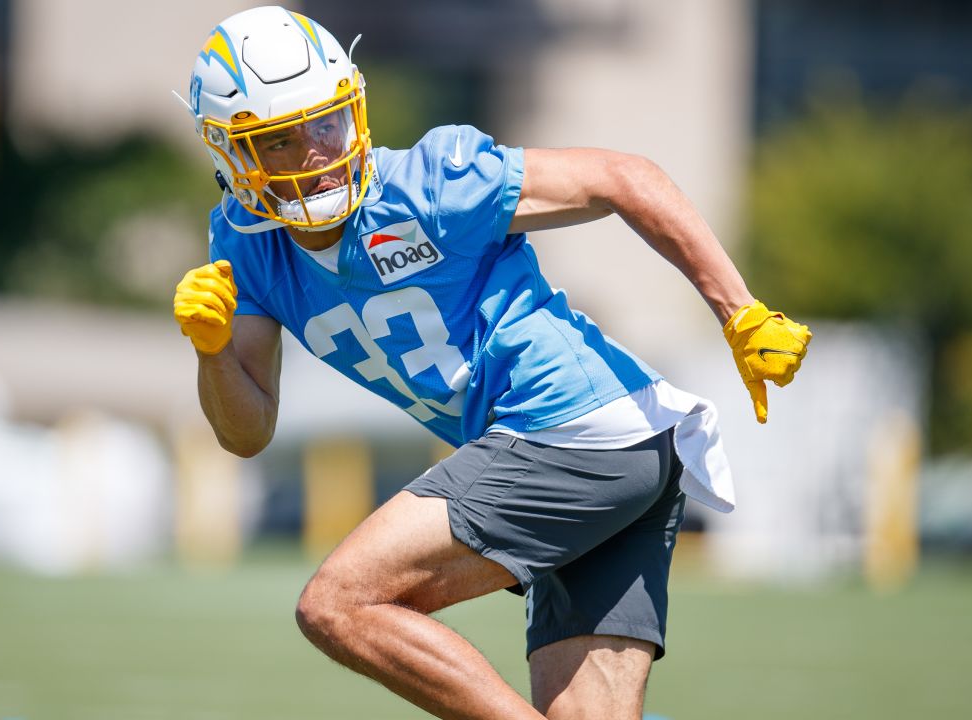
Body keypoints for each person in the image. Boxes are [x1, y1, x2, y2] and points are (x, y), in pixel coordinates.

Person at [173, 6, 811, 719]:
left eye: (327, 121)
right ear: (232, 155)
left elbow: (624, 177)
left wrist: (739, 310)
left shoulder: (429, 184)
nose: (318, 150)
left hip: (574, 427)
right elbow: (246, 431)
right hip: (622, 451)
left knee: (339, 603)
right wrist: (213, 350)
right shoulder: (246, 244)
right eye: (281, 138)